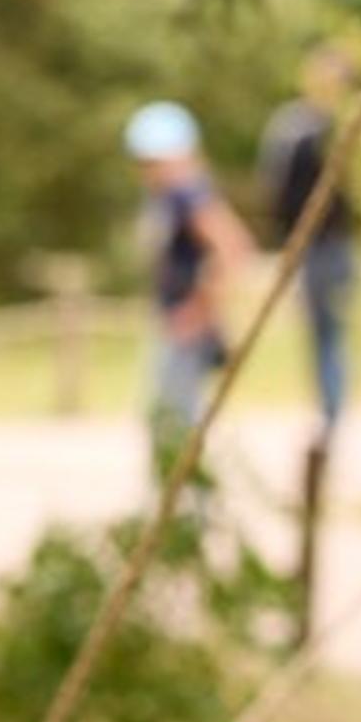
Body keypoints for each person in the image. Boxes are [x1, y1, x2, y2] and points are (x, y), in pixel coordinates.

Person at [123, 99, 254, 462]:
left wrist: (200, 309)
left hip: (185, 327)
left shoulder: (187, 193)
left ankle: (188, 508)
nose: (147, 170)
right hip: (171, 321)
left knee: (174, 422)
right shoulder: (170, 196)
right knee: (171, 418)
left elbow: (233, 248)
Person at [244, 45, 361, 433]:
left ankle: (331, 414)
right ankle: (333, 410)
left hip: (325, 247)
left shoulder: (305, 128)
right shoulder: (327, 127)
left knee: (327, 333)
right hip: (327, 244)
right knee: (331, 332)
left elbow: (274, 190)